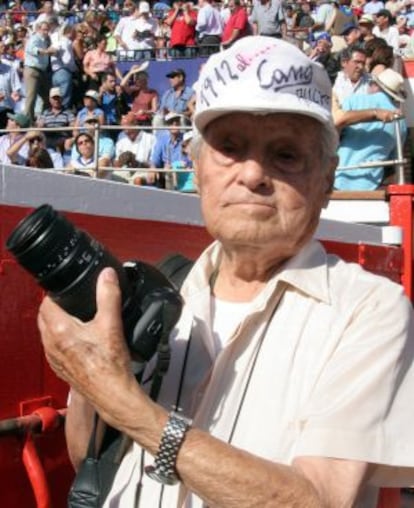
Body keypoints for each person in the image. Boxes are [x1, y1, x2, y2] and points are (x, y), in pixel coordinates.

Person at [37, 36, 414, 508]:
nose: (253, 173)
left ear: (326, 180)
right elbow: (91, 462)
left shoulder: (367, 310)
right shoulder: (163, 290)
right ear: (199, 168)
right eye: (229, 149)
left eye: (286, 155)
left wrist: (122, 402)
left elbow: (318, 500)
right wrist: (88, 381)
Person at [335, 67, 407, 190]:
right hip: (370, 184)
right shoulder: (400, 122)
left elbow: (334, 130)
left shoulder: (353, 101)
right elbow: (393, 158)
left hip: (337, 177)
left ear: (374, 85)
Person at [23, 20, 57, 124]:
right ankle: (27, 122)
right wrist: (46, 51)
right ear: (38, 29)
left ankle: (43, 120)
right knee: (31, 97)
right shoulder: (35, 38)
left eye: (48, 30)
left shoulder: (45, 40)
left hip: (42, 71)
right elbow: (31, 49)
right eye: (44, 29)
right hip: (32, 70)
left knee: (47, 97)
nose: (46, 32)